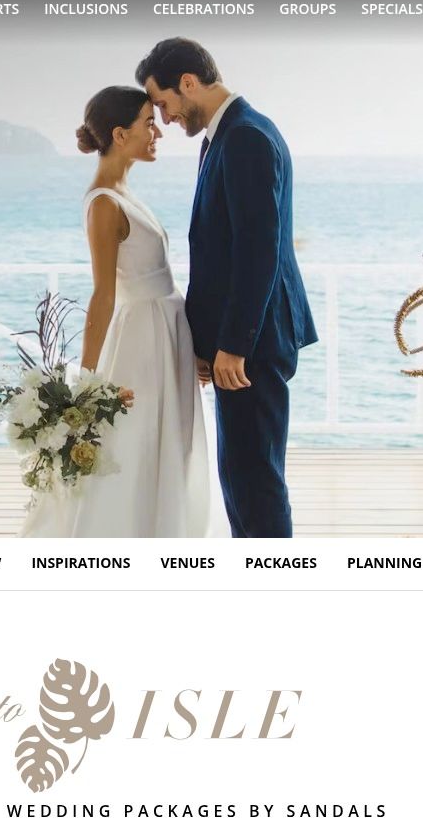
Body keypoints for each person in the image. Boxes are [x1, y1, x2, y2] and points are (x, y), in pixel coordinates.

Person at [137, 37, 318, 538]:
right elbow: (215, 248)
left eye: (165, 103)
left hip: (253, 344)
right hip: (238, 341)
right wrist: (206, 341)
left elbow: (257, 251)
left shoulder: (246, 137)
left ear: (189, 83)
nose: (166, 119)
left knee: (255, 479)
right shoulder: (223, 137)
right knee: (239, 475)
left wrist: (234, 345)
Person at [18, 86, 217, 538]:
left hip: (167, 332)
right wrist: (85, 384)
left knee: (170, 445)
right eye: (149, 122)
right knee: (140, 444)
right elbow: (103, 295)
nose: (157, 132)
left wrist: (192, 345)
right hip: (142, 340)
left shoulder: (123, 190)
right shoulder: (104, 203)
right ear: (119, 133)